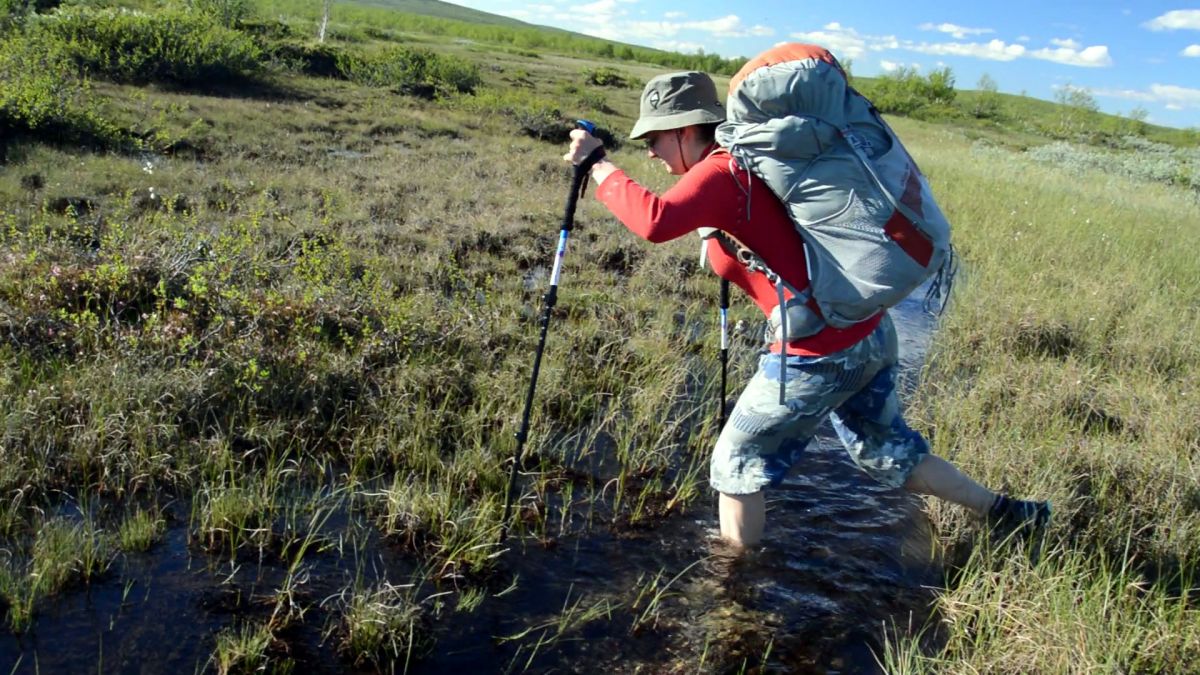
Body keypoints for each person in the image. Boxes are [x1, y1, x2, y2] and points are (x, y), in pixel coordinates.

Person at [563, 70, 1050, 549]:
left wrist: (598, 165)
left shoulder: (721, 170)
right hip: (867, 332)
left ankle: (734, 589)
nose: (649, 150)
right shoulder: (749, 164)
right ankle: (1009, 512)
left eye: (655, 137)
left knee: (734, 464)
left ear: (686, 130)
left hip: (816, 350)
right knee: (887, 452)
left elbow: (654, 220)